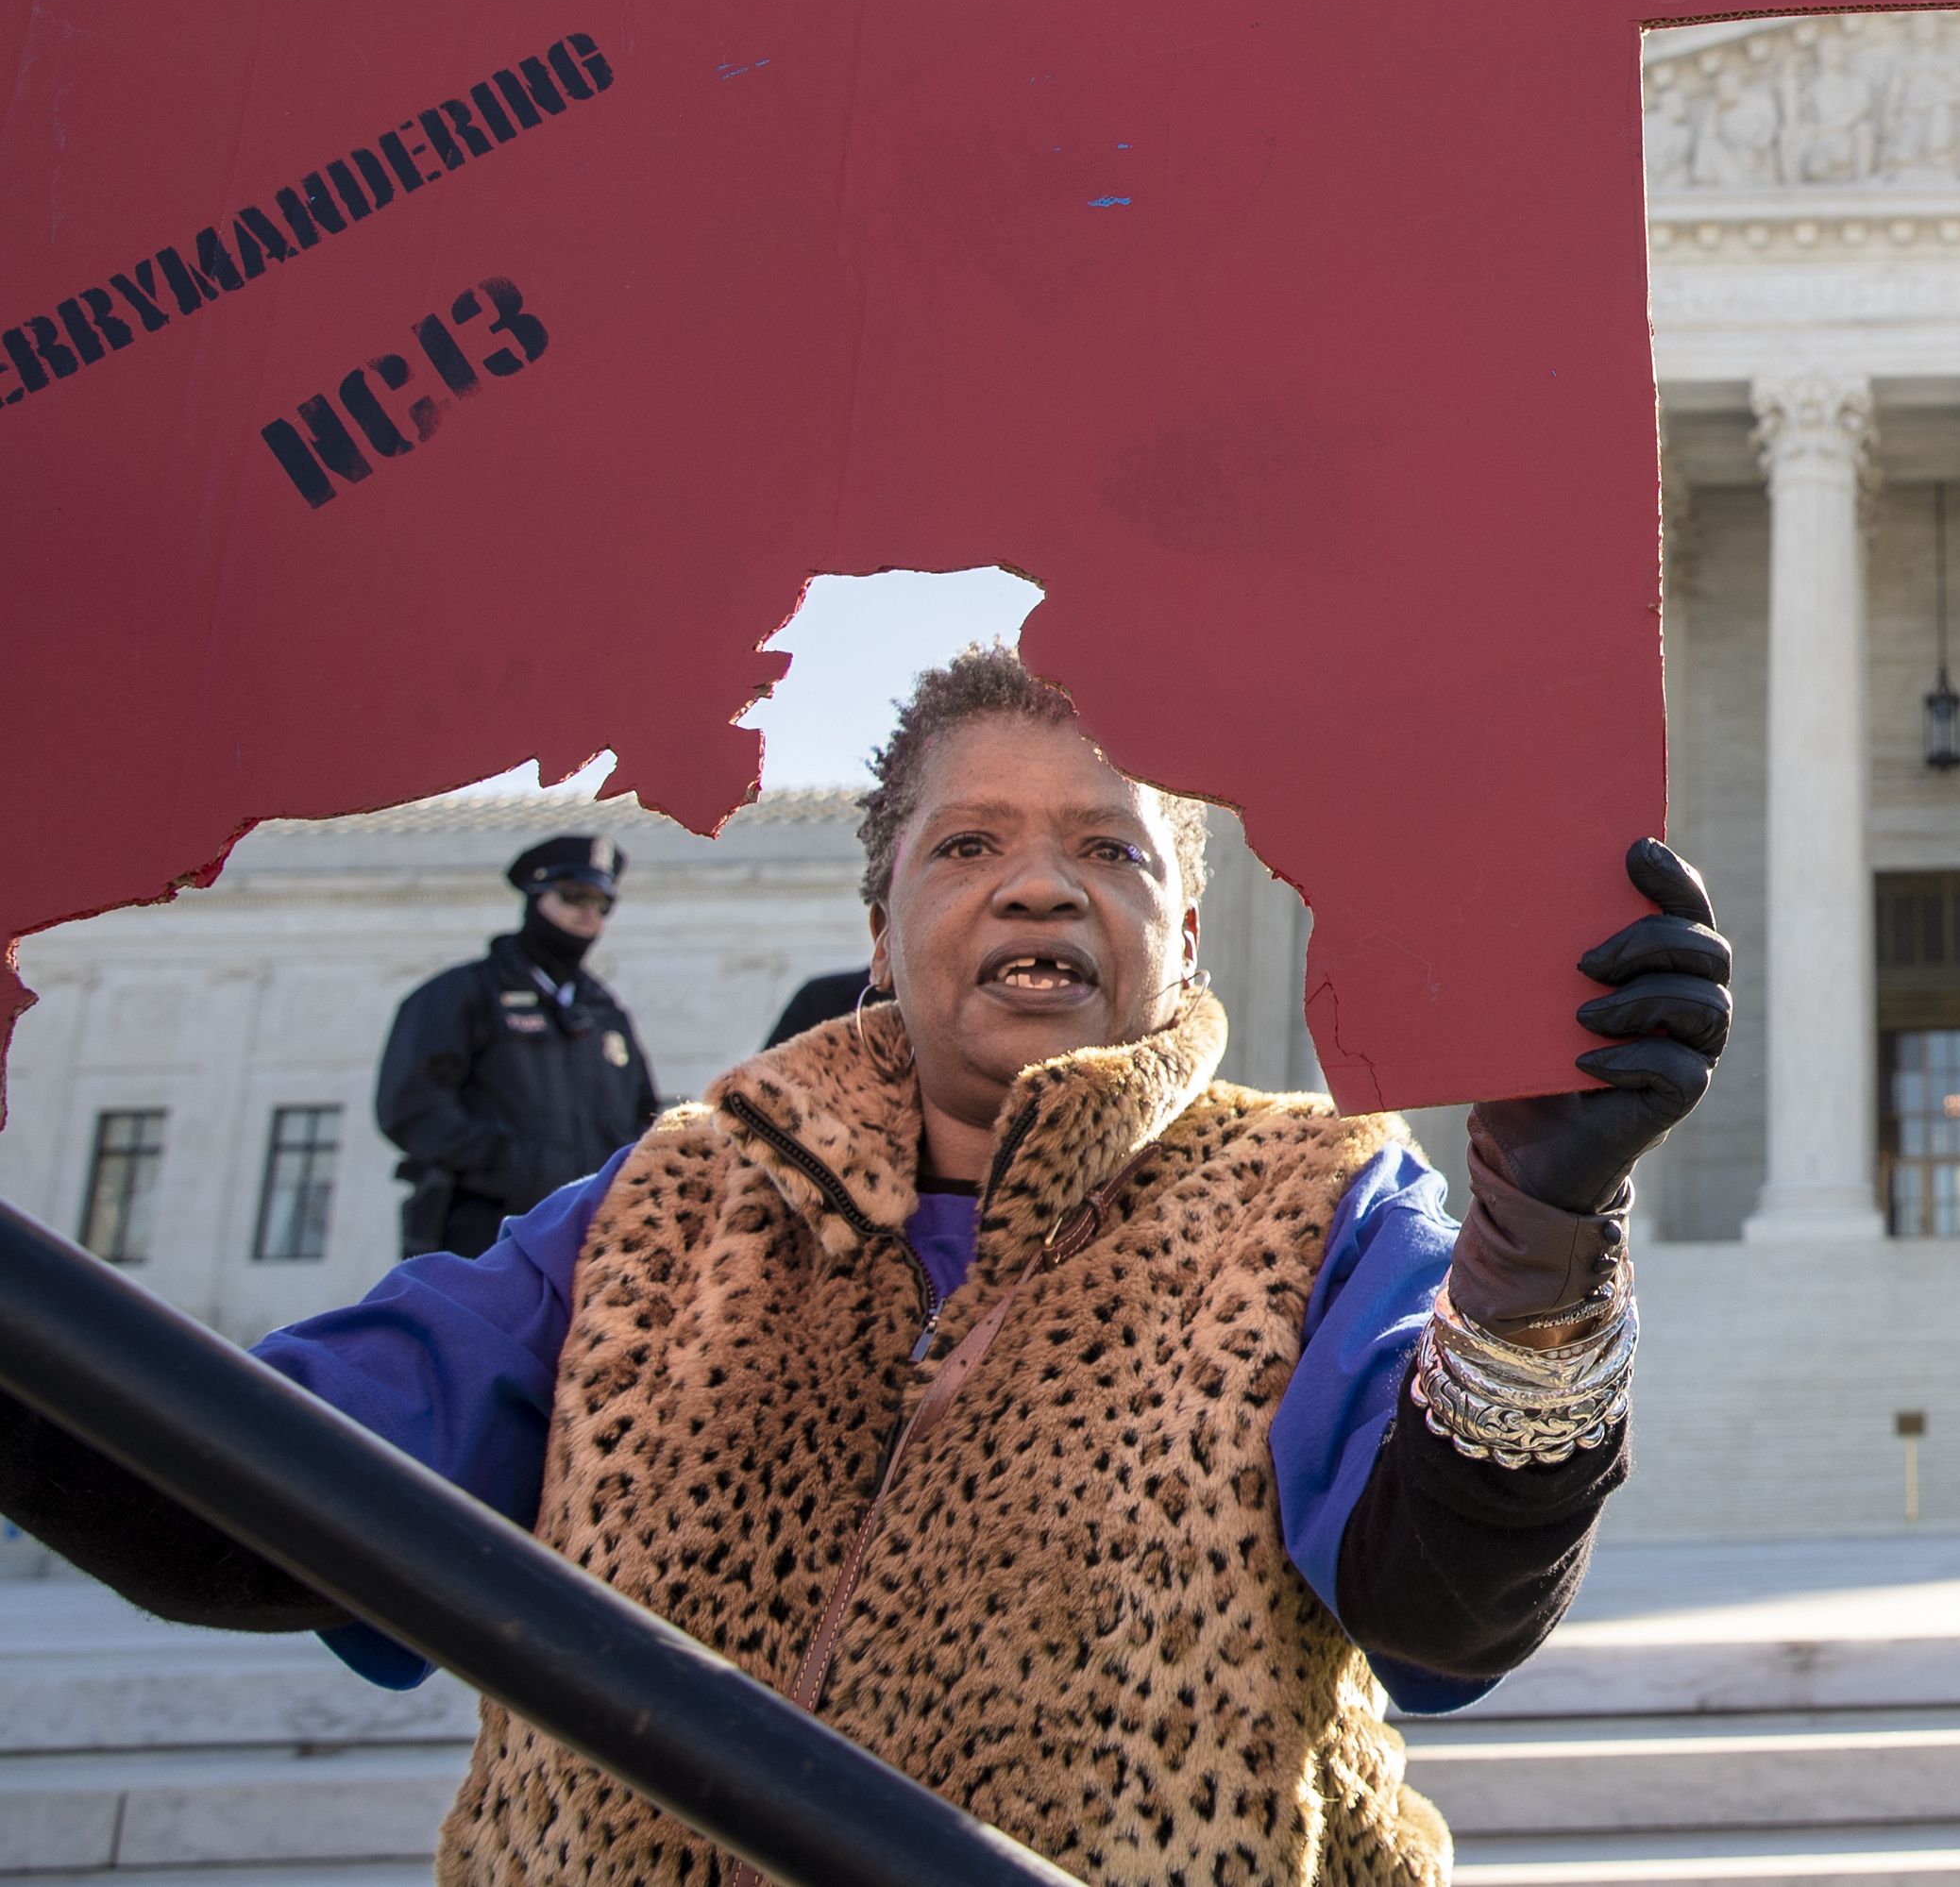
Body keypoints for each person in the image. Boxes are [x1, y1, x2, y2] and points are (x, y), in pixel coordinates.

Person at [2, 645, 1732, 1883]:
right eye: (969, 844)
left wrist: (1539, 1237)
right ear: (880, 915)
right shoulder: (661, 1222)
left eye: (1108, 846)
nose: (1037, 889)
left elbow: (1444, 1606)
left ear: (1187, 926)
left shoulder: (1319, 1208)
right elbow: (246, 1497)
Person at [374, 834, 657, 1258]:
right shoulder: (462, 994)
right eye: (574, 895)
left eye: (602, 904)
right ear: (535, 895)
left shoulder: (605, 1014)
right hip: (485, 1234)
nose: (588, 913)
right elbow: (412, 1108)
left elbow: (642, 1118)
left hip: (591, 1241)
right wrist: (516, 1165)